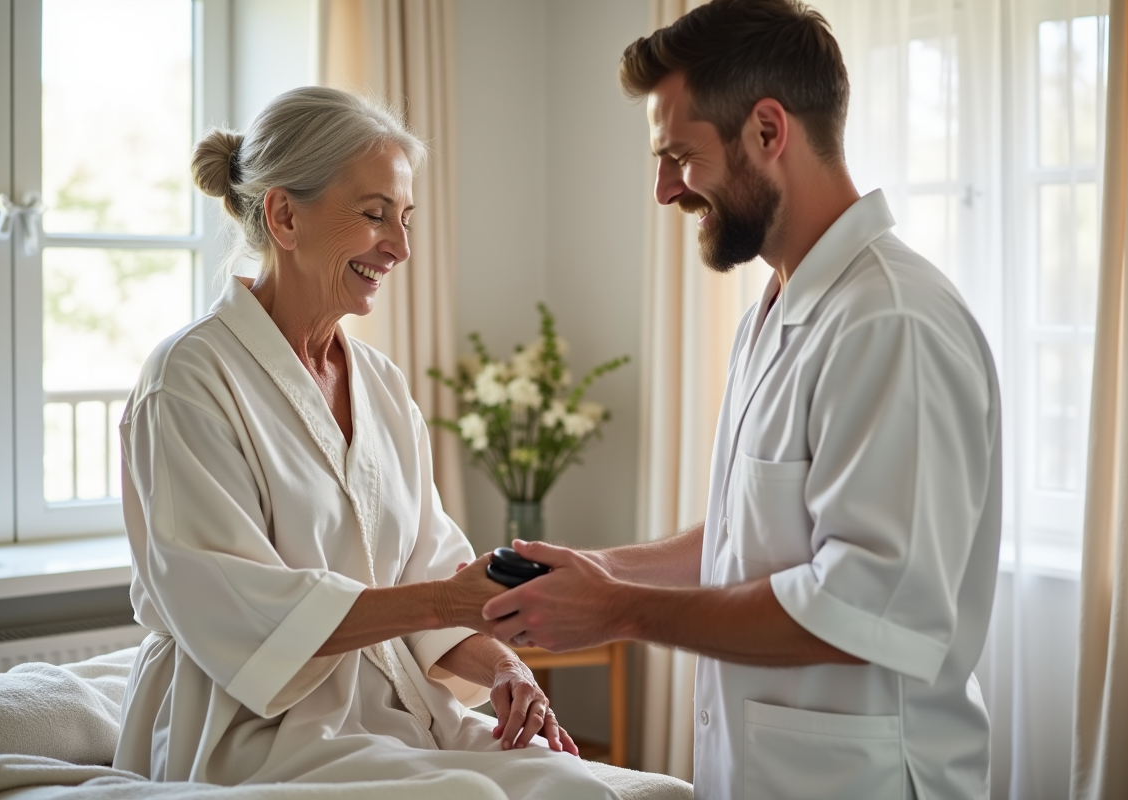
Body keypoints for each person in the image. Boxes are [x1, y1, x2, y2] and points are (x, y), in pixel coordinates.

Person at [480, 2, 1001, 798]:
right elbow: (749, 537)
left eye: (679, 156)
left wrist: (620, 611)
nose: (664, 190)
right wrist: (601, 570)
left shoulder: (891, 323)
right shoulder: (777, 311)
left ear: (766, 130)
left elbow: (860, 607)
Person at [113, 86, 617, 800]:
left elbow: (432, 573)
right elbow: (244, 617)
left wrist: (506, 667)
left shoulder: (380, 383)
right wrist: (446, 602)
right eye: (376, 215)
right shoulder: (189, 378)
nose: (401, 248)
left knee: (574, 786)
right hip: (252, 731)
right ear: (285, 216)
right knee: (468, 797)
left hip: (394, 714)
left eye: (405, 220)